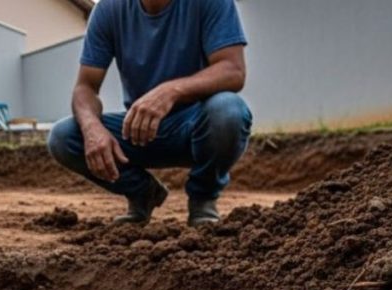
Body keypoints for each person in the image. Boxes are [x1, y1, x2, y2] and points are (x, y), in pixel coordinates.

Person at [47, 0, 252, 226]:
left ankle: (203, 201)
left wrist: (171, 91)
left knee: (228, 111)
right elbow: (85, 87)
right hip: (139, 131)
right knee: (64, 136)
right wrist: (91, 128)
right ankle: (143, 193)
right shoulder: (109, 9)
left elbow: (233, 71)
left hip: (197, 127)